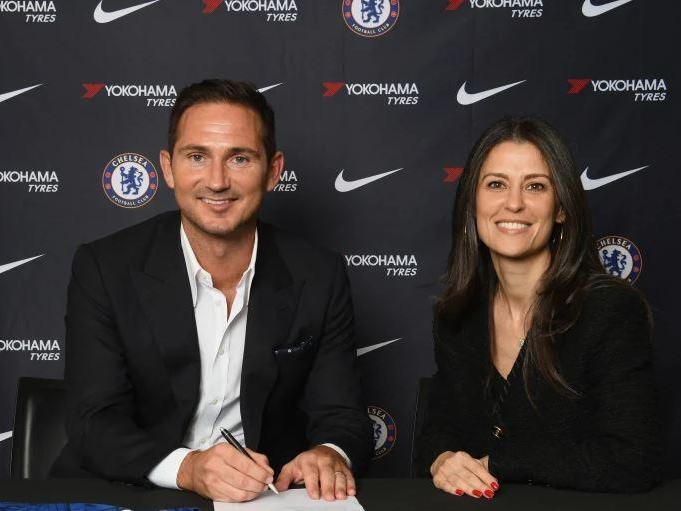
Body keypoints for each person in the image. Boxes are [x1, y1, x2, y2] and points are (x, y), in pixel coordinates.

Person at [52, 79, 373, 502]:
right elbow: (93, 420)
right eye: (197, 157)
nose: (217, 181)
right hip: (131, 489)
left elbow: (343, 415)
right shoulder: (105, 267)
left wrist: (329, 453)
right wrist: (188, 468)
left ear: (273, 171)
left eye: (239, 158)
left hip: (259, 498)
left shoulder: (320, 274)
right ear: (168, 168)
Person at [414, 116, 660, 497]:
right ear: (472, 203)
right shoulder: (456, 316)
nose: (514, 203)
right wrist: (442, 459)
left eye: (535, 186)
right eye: (496, 184)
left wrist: (498, 463)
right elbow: (439, 427)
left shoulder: (610, 310)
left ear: (561, 208)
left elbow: (633, 459)